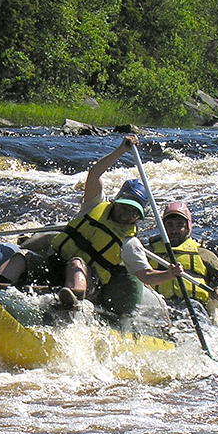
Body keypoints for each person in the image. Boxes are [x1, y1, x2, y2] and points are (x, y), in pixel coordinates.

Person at [48, 134, 185, 320]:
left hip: (89, 282)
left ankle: (71, 303)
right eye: (124, 207)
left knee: (76, 263)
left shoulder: (130, 242)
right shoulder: (94, 204)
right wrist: (121, 150)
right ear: (115, 202)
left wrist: (169, 274)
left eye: (134, 213)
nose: (127, 215)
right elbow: (95, 173)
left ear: (139, 216)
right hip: (56, 263)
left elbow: (146, 275)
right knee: (22, 257)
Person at [143, 201, 218, 321]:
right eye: (170, 225)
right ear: (162, 227)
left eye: (179, 225)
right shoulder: (148, 252)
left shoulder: (204, 254)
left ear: (188, 226)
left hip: (193, 307)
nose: (174, 230)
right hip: (159, 306)